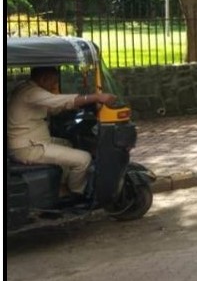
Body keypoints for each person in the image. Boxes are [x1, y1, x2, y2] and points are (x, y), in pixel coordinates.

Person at [7, 66, 116, 197]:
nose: (54, 86)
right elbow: (57, 101)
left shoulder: (26, 88)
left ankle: (61, 185)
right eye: (53, 82)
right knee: (84, 159)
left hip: (33, 142)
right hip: (28, 148)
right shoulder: (31, 92)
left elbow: (51, 108)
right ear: (43, 79)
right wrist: (96, 97)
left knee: (67, 144)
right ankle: (75, 194)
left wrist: (75, 106)